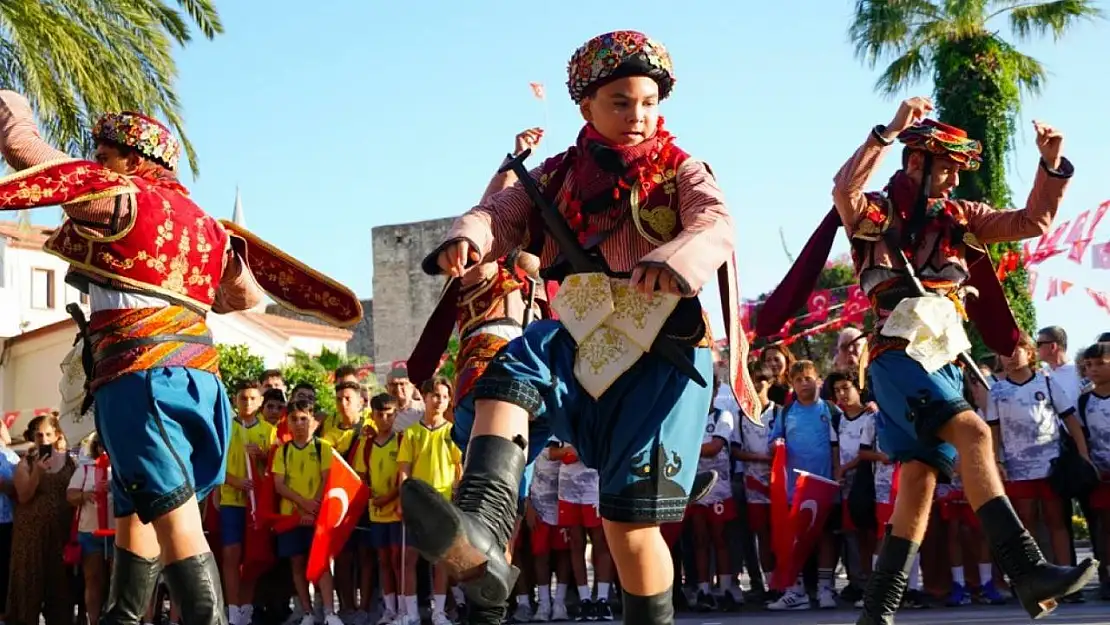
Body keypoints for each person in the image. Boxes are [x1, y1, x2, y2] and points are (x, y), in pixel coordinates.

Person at [398, 30, 759, 625]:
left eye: (648, 102)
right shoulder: (557, 175)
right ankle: (484, 530)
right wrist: (467, 236)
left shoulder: (682, 170)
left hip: (663, 354)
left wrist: (676, 260)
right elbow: (501, 214)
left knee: (630, 530)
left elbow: (716, 223)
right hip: (584, 337)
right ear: (586, 106)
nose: (638, 116)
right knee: (511, 366)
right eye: (620, 102)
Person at [0, 92, 359, 625]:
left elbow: (26, 151)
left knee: (179, 529)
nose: (97, 164)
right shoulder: (211, 227)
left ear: (134, 160)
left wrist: (11, 105)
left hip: (142, 383)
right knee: (137, 519)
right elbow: (242, 297)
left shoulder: (120, 197)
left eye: (103, 154)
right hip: (199, 384)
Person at [760, 95, 1096, 623]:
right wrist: (888, 131)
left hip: (942, 358)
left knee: (918, 482)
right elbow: (842, 190)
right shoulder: (876, 211)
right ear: (917, 162)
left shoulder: (964, 217)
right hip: (896, 356)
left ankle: (878, 611)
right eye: (950, 170)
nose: (956, 183)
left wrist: (1051, 166)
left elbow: (1032, 220)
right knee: (976, 435)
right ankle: (1027, 570)